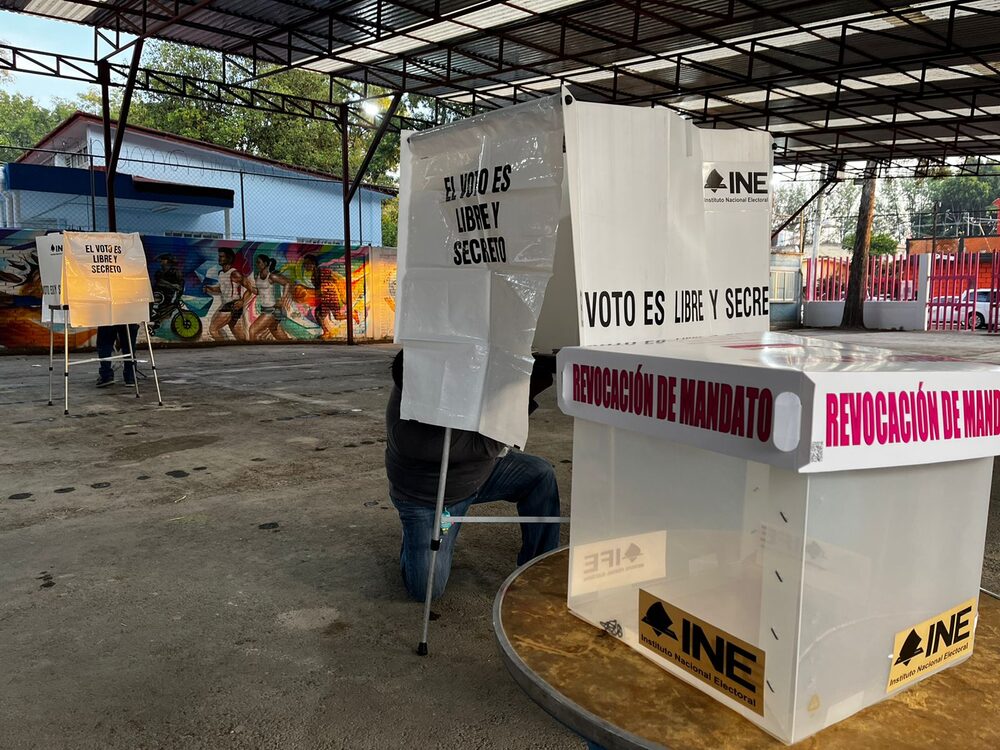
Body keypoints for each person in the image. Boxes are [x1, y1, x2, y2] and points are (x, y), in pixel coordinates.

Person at [385, 350, 560, 601]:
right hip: (430, 501)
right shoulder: (409, 434)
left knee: (539, 474)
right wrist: (528, 390)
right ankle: (415, 537)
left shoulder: (433, 376)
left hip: (479, 474)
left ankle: (538, 565)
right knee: (426, 590)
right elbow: (495, 437)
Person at [206, 247, 251, 341]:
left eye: (222, 256)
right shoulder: (221, 273)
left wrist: (242, 301)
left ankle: (222, 349)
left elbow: (249, 289)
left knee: (213, 329)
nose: (219, 258)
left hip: (232, 305)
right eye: (219, 256)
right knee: (238, 334)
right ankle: (246, 350)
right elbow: (222, 289)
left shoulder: (234, 273)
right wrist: (210, 288)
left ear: (229, 258)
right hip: (229, 304)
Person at [247, 253, 292, 341]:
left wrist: (282, 299)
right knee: (282, 338)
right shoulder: (257, 277)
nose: (257, 264)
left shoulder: (271, 276)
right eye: (256, 262)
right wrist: (248, 286)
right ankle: (292, 348)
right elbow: (258, 292)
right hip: (264, 309)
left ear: (265, 263)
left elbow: (287, 283)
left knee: (252, 331)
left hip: (272, 310)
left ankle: (252, 353)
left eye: (259, 262)